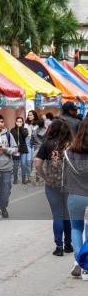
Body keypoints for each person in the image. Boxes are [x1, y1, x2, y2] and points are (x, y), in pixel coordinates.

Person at [34, 119, 73, 256]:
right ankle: (69, 244)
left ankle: (59, 247)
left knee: (58, 215)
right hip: (70, 184)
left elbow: (37, 163)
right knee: (68, 215)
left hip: (52, 184)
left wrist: (44, 176)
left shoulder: (47, 144)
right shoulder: (73, 145)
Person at [63, 119, 88, 279]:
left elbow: (64, 178)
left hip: (75, 196)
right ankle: (86, 266)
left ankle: (78, 261)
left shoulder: (68, 152)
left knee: (76, 228)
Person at [11, 117, 31, 184]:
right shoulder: (12, 130)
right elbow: (11, 139)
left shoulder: (25, 129)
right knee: (15, 165)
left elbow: (25, 135)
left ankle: (23, 180)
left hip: (23, 149)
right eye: (18, 121)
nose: (19, 123)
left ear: (22, 122)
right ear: (15, 122)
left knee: (23, 164)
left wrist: (21, 127)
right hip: (16, 149)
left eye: (20, 121)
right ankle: (15, 179)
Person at [30, 118, 47, 183]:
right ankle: (42, 179)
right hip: (44, 150)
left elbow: (31, 142)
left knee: (35, 164)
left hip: (36, 149)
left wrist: (34, 144)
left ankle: (35, 178)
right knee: (43, 164)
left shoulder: (34, 131)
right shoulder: (46, 131)